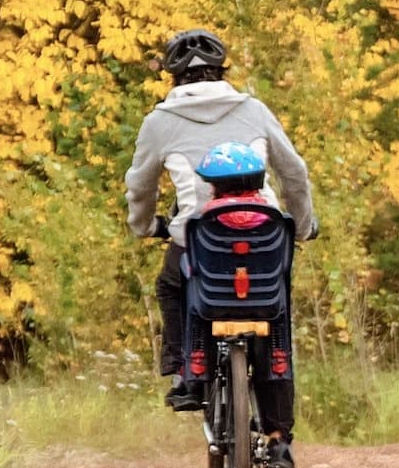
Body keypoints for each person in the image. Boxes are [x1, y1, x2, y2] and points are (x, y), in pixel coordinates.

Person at [125, 29, 317, 413]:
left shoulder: (159, 122)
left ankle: (185, 373)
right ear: (221, 70)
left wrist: (145, 226)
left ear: (173, 76)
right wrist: (301, 224)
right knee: (273, 307)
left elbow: (140, 187)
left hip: (199, 238)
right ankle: (279, 437)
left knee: (171, 285)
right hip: (264, 233)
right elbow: (294, 172)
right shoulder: (253, 110)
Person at [186, 141, 301, 468]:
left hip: (212, 309)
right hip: (266, 309)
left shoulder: (202, 220)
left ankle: (196, 365)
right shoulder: (276, 220)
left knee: (187, 283)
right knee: (279, 325)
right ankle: (279, 442)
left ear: (212, 184)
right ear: (258, 181)